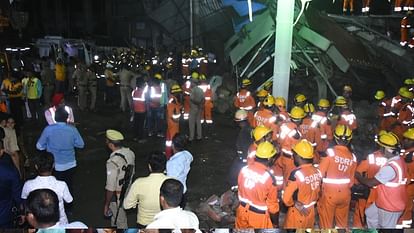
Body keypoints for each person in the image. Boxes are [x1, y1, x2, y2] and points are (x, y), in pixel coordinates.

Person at [357, 131, 407, 228]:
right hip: (385, 201)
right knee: (370, 214)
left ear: (385, 149)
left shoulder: (390, 168)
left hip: (390, 206)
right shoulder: (399, 160)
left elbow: (371, 183)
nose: (380, 150)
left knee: (386, 227)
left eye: (381, 148)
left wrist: (358, 176)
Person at [36, 107, 85, 194]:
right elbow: (81, 144)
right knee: (68, 186)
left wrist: (48, 146)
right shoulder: (72, 129)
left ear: (55, 118)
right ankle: (68, 204)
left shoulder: (48, 129)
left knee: (55, 188)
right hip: (71, 164)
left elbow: (39, 146)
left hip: (55, 165)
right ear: (67, 118)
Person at [317, 124, 357, 228]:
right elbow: (352, 181)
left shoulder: (330, 152)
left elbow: (319, 174)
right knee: (342, 225)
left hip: (329, 194)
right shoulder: (353, 157)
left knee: (326, 225)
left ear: (335, 138)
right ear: (349, 140)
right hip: (345, 195)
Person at [235, 141, 279, 228]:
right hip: (258, 217)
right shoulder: (269, 178)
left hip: (241, 212)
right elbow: (273, 208)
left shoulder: (244, 169)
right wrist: (275, 223)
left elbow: (240, 188)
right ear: (270, 158)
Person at [21, 152, 73, 225]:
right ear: (53, 165)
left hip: (39, 223)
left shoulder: (28, 185)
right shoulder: (62, 185)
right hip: (60, 223)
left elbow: (24, 200)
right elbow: (69, 200)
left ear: (36, 166)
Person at [123, 151, 169, 228]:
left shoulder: (139, 183)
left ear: (149, 166)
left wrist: (137, 202)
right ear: (165, 165)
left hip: (144, 225)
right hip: (165, 224)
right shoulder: (172, 182)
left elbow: (126, 205)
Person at [283, 139, 322, 229]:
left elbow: (286, 199)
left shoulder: (297, 173)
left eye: (294, 154)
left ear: (299, 156)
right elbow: (319, 193)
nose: (293, 155)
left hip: (297, 213)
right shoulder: (317, 171)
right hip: (310, 212)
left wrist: (294, 203)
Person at [104, 129, 135, 229]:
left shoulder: (112, 162)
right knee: (116, 217)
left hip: (118, 195)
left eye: (107, 141)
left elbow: (110, 188)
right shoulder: (130, 153)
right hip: (128, 190)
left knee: (121, 222)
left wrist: (106, 204)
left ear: (111, 145)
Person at [0, 138, 22, 228]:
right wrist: (22, 212)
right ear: (1, 152)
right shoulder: (10, 172)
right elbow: (17, 195)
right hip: (4, 214)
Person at [166, 133, 193, 208]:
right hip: (183, 190)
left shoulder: (172, 162)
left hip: (175, 194)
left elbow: (170, 179)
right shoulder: (187, 156)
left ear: (173, 145)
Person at [165, 84, 182, 158]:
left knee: (169, 141)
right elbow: (171, 113)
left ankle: (168, 154)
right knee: (172, 141)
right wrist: (175, 120)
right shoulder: (172, 101)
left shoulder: (174, 100)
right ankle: (171, 155)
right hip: (173, 125)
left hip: (173, 124)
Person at [131, 77, 148, 143]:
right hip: (142, 111)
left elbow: (133, 102)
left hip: (136, 110)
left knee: (136, 124)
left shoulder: (134, 91)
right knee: (141, 125)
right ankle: (140, 138)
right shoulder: (143, 92)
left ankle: (135, 137)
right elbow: (145, 102)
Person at [188, 76, 204, 142]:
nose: (190, 83)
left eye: (191, 82)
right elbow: (203, 99)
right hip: (200, 108)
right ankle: (199, 136)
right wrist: (201, 105)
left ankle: (191, 137)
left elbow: (192, 100)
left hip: (194, 108)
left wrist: (197, 104)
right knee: (198, 122)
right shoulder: (201, 90)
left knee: (191, 123)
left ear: (193, 83)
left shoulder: (192, 90)